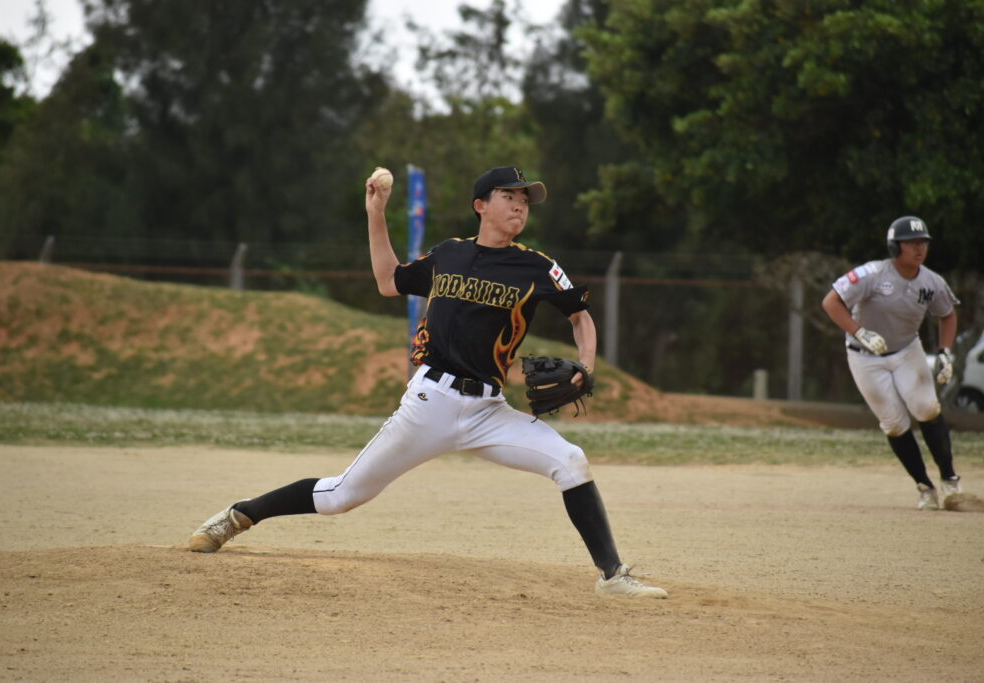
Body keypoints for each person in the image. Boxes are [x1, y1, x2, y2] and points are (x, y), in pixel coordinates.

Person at [188, 166, 668, 597]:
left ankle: (612, 575)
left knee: (571, 461)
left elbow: (580, 317)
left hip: (489, 412)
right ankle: (239, 515)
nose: (520, 204)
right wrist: (376, 213)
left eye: (525, 199)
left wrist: (586, 366)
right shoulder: (449, 253)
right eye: (509, 195)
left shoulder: (537, 267)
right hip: (430, 401)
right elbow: (388, 281)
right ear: (481, 205)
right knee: (341, 496)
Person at [821, 215, 962, 510]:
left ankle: (950, 480)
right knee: (895, 424)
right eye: (911, 243)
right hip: (865, 357)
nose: (919, 248)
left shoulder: (931, 281)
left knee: (927, 408)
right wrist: (859, 332)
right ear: (895, 246)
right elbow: (831, 302)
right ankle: (925, 487)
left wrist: (945, 352)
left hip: (906, 350)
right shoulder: (872, 274)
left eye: (923, 242)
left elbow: (947, 314)